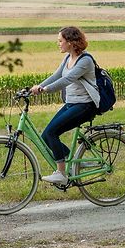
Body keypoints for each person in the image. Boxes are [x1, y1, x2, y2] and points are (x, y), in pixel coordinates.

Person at [29, 26, 99, 186]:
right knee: (46, 135)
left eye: (60, 40)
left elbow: (67, 80)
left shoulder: (86, 60)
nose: (58, 43)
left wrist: (45, 90)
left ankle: (61, 173)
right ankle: (73, 161)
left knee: (52, 132)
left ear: (71, 42)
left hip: (85, 106)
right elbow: (57, 75)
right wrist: (37, 87)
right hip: (72, 103)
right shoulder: (68, 58)